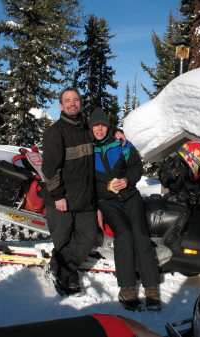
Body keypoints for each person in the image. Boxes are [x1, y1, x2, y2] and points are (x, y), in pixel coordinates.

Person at [41, 88, 126, 296]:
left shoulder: (86, 130)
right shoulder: (55, 132)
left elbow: (101, 129)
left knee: (88, 237)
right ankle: (67, 276)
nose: (72, 103)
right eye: (67, 101)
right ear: (61, 106)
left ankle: (57, 269)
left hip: (85, 199)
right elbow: (49, 169)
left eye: (76, 100)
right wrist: (59, 195)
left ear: (80, 104)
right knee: (63, 241)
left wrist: (115, 130)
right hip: (62, 199)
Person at [89, 107, 162, 311]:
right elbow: (86, 181)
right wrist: (97, 205)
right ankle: (127, 288)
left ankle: (151, 288)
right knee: (124, 234)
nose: (100, 129)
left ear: (109, 127)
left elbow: (137, 167)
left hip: (130, 197)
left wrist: (127, 179)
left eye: (103, 125)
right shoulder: (88, 150)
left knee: (140, 234)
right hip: (107, 202)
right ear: (91, 128)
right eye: (96, 125)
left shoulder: (122, 144)